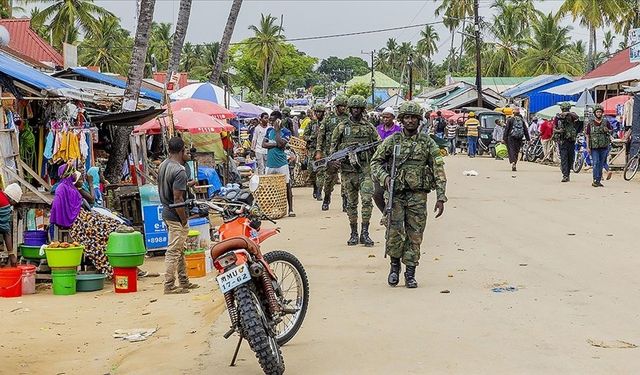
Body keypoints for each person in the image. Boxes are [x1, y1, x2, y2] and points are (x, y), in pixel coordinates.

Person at [371, 101, 447, 288]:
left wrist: (440, 196)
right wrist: (386, 178)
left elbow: (438, 168)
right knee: (394, 233)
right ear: (402, 120)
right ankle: (394, 268)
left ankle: (410, 273)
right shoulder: (392, 141)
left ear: (419, 120)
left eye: (414, 117)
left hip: (418, 196)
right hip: (395, 195)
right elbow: (375, 163)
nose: (410, 120)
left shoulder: (427, 143)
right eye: (407, 117)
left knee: (415, 235)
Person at [50, 163, 122, 277]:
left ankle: (120, 264)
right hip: (78, 222)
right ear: (69, 174)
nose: (75, 174)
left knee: (113, 224)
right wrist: (65, 222)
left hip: (84, 216)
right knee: (99, 235)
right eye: (73, 171)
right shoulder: (62, 189)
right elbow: (56, 208)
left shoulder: (70, 187)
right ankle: (110, 266)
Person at [330, 95, 380, 246]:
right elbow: (333, 148)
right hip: (347, 171)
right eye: (353, 108)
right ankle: (353, 233)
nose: (356, 111)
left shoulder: (369, 127)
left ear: (363, 110)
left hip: (365, 170)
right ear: (350, 109)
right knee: (351, 203)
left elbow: (378, 146)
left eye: (359, 108)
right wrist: (333, 161)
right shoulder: (341, 127)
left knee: (366, 200)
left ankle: (365, 233)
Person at [158, 137, 199, 294]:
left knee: (180, 249)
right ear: (182, 150)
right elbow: (178, 199)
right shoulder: (179, 171)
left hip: (166, 211)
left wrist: (186, 185)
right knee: (174, 250)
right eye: (186, 150)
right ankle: (169, 284)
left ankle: (184, 281)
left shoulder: (163, 165)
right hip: (175, 214)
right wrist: (184, 219)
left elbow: (170, 187)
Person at [317, 94, 349, 211]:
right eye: (340, 106)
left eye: (344, 106)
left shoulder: (349, 118)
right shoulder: (329, 118)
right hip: (330, 153)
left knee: (345, 177)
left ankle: (345, 202)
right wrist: (318, 150)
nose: (343, 108)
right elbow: (321, 135)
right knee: (329, 178)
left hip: (345, 152)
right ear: (336, 106)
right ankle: (326, 198)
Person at [263, 111, 295, 217]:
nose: (271, 122)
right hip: (270, 164)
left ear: (279, 120)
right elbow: (264, 144)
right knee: (268, 187)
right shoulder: (268, 130)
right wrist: (276, 144)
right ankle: (270, 209)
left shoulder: (286, 132)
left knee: (287, 185)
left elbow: (282, 144)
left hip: (282, 163)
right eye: (270, 120)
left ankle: (290, 209)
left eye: (273, 120)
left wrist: (277, 132)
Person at [373, 107, 402, 216]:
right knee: (376, 194)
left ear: (393, 118)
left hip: (394, 165)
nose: (385, 119)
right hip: (380, 166)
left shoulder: (398, 131)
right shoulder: (377, 129)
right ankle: (385, 213)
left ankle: (390, 217)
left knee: (392, 194)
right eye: (383, 117)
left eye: (387, 117)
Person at [586, 104, 614, 187]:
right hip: (594, 147)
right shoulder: (590, 123)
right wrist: (587, 146)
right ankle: (595, 179)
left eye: (600, 112)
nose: (599, 113)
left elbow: (611, 131)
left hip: (604, 146)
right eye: (597, 112)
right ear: (595, 113)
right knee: (596, 163)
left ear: (602, 113)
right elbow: (587, 135)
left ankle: (598, 180)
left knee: (601, 163)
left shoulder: (606, 122)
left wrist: (608, 130)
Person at [553, 102, 580, 182]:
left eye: (567, 109)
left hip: (571, 140)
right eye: (564, 109)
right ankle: (565, 175)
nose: (565, 111)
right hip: (562, 140)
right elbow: (554, 128)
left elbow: (577, 117)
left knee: (570, 157)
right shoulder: (557, 117)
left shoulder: (572, 116)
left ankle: (567, 173)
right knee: (564, 157)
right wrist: (559, 130)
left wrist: (568, 113)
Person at [303, 104, 326, 200]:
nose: (318, 114)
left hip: (322, 150)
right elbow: (305, 136)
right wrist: (312, 137)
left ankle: (319, 191)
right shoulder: (311, 124)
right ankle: (315, 187)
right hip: (312, 150)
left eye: (320, 112)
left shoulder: (326, 124)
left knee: (321, 172)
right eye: (317, 112)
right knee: (311, 171)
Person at [0, 183, 22, 266]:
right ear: (12, 200)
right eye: (14, 204)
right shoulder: (5, 204)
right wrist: (11, 254)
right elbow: (6, 231)